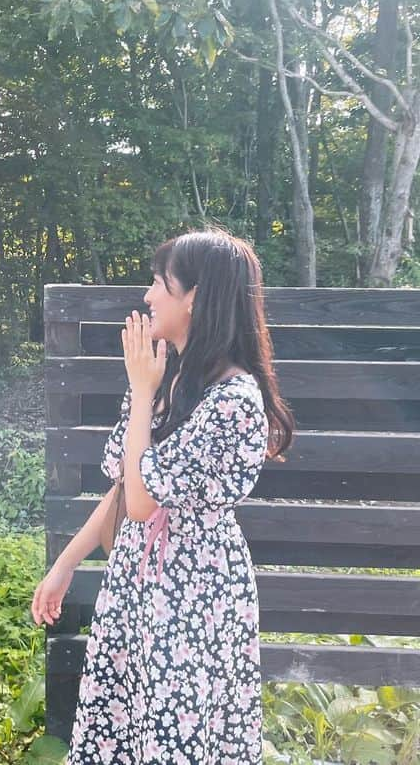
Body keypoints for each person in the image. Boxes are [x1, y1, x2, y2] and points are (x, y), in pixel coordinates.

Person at [31, 229, 295, 764]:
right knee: (124, 722)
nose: (148, 296)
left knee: (179, 730)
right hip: (139, 581)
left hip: (193, 589)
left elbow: (145, 501)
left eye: (159, 283)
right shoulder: (170, 376)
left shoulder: (235, 399)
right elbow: (125, 487)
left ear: (194, 297)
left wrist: (143, 389)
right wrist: (65, 564)